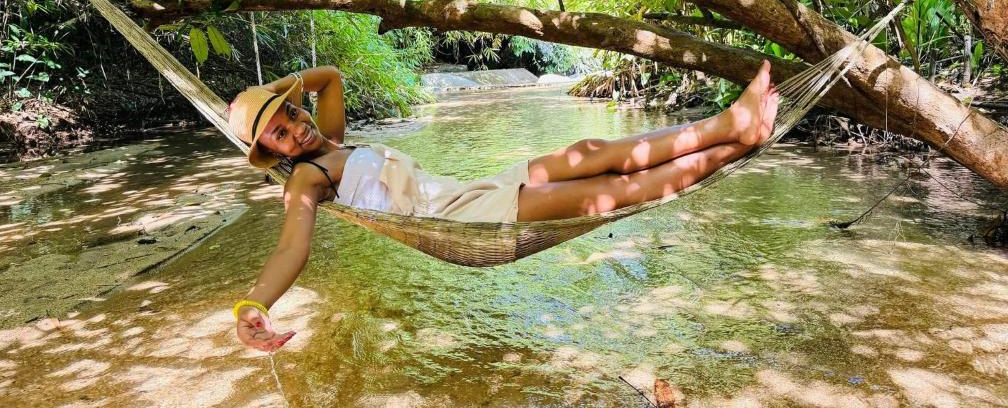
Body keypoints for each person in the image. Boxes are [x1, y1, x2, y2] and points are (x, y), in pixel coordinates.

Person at [227, 62, 779, 352]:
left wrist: (264, 98)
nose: (295, 130)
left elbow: (329, 78)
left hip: (467, 191)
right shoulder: (308, 178)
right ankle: (736, 140)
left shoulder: (330, 141)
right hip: (461, 222)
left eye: (291, 115)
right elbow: (291, 248)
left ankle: (729, 125)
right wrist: (254, 304)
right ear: (270, 154)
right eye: (278, 135)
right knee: (614, 190)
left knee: (592, 151)